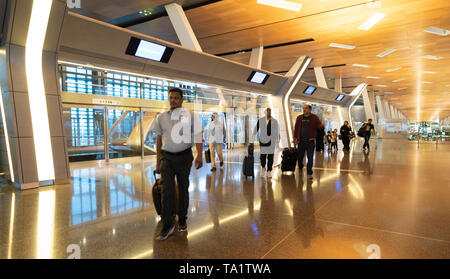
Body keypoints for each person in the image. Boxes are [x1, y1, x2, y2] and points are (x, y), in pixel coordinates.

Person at [150, 87, 203, 240]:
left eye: (176, 98)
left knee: (183, 188)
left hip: (184, 157)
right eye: (171, 97)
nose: (173, 100)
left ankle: (182, 219)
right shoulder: (161, 118)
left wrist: (199, 155)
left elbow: (198, 134)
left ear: (181, 100)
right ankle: (167, 224)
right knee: (167, 190)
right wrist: (158, 161)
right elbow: (159, 139)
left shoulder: (191, 116)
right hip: (167, 158)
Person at [293, 104, 323, 177]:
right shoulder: (299, 117)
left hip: (310, 141)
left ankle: (309, 171)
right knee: (300, 156)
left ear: (309, 109)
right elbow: (296, 128)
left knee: (310, 157)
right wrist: (295, 138)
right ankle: (300, 166)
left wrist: (321, 125)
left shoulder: (314, 117)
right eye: (303, 108)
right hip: (301, 141)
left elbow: (319, 126)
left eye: (306, 108)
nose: (304, 109)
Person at [253, 108, 279, 178]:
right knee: (263, 156)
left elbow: (277, 131)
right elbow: (256, 129)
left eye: (270, 111)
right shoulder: (261, 120)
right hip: (263, 141)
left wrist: (277, 140)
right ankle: (263, 167)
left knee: (270, 156)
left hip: (271, 141)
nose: (269, 112)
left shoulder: (274, 121)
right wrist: (252, 136)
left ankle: (269, 171)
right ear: (265, 112)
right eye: (267, 111)